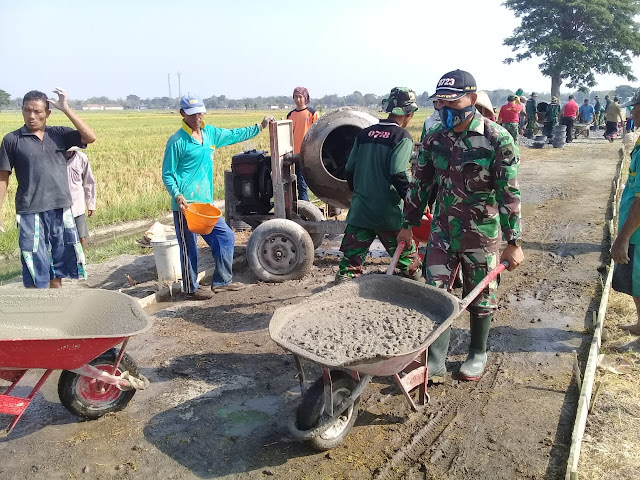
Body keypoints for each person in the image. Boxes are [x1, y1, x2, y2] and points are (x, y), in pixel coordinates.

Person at [397, 69, 524, 381]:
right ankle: (436, 360)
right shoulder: (434, 139)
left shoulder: (497, 140)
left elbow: (509, 194)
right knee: (435, 292)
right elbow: (420, 184)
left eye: (452, 103)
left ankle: (477, 353)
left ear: (472, 99)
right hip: (442, 232)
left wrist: (514, 242)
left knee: (481, 295)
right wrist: (408, 223)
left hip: (481, 235)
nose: (445, 110)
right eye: (440, 103)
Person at [162, 93, 275, 299]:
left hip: (205, 204)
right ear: (182, 114)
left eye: (200, 112)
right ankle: (190, 288)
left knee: (226, 236)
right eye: (192, 114)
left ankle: (222, 281)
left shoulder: (210, 134)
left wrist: (259, 127)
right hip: (186, 207)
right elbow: (168, 174)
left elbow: (234, 135)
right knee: (189, 247)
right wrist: (177, 195)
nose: (197, 117)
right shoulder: (177, 142)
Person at [0, 88, 96, 288]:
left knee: (58, 260)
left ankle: (55, 302)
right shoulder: (12, 140)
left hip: (60, 208)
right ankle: (39, 305)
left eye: (37, 111)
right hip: (30, 210)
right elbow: (3, 178)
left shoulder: (58, 134)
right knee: (34, 261)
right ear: (22, 111)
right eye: (27, 111)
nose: (32, 116)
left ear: (48, 113)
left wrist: (66, 109)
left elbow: (90, 137)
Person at [336, 87, 421, 281]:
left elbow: (349, 169)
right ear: (409, 113)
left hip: (360, 211)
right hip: (388, 215)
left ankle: (339, 304)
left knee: (349, 268)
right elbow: (398, 172)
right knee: (409, 265)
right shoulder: (402, 137)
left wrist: (358, 193)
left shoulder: (364, 134)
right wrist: (411, 204)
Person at [611, 87, 640, 336]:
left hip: (637, 233)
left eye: (635, 107)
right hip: (634, 230)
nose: (632, 112)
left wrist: (622, 238)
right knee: (635, 284)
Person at [287, 87, 319, 201]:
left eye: (300, 97)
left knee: (302, 184)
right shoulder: (290, 115)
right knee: (292, 184)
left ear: (306, 98)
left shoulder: (312, 113)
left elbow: (317, 132)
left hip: (305, 154)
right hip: (292, 154)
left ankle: (304, 211)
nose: (298, 99)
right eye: (296, 97)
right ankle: (296, 209)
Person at [66, 146, 96, 251]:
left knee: (81, 236)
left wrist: (91, 204)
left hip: (77, 204)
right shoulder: (55, 159)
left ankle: (81, 262)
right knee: (62, 238)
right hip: (60, 205)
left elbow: (89, 182)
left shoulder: (82, 158)